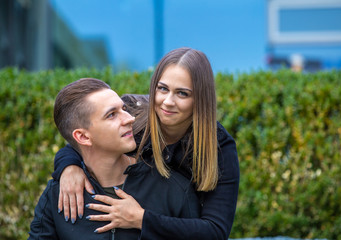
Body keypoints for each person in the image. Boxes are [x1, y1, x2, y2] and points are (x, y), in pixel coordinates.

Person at [53, 47, 240, 239]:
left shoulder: (218, 146)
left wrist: (141, 219)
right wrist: (69, 167)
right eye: (163, 88)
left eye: (182, 93)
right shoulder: (132, 112)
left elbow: (215, 232)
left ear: (200, 99)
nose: (168, 101)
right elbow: (85, 140)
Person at [28, 78, 200, 239]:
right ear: (83, 137)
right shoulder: (57, 195)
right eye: (111, 115)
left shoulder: (174, 188)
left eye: (124, 109)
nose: (130, 119)